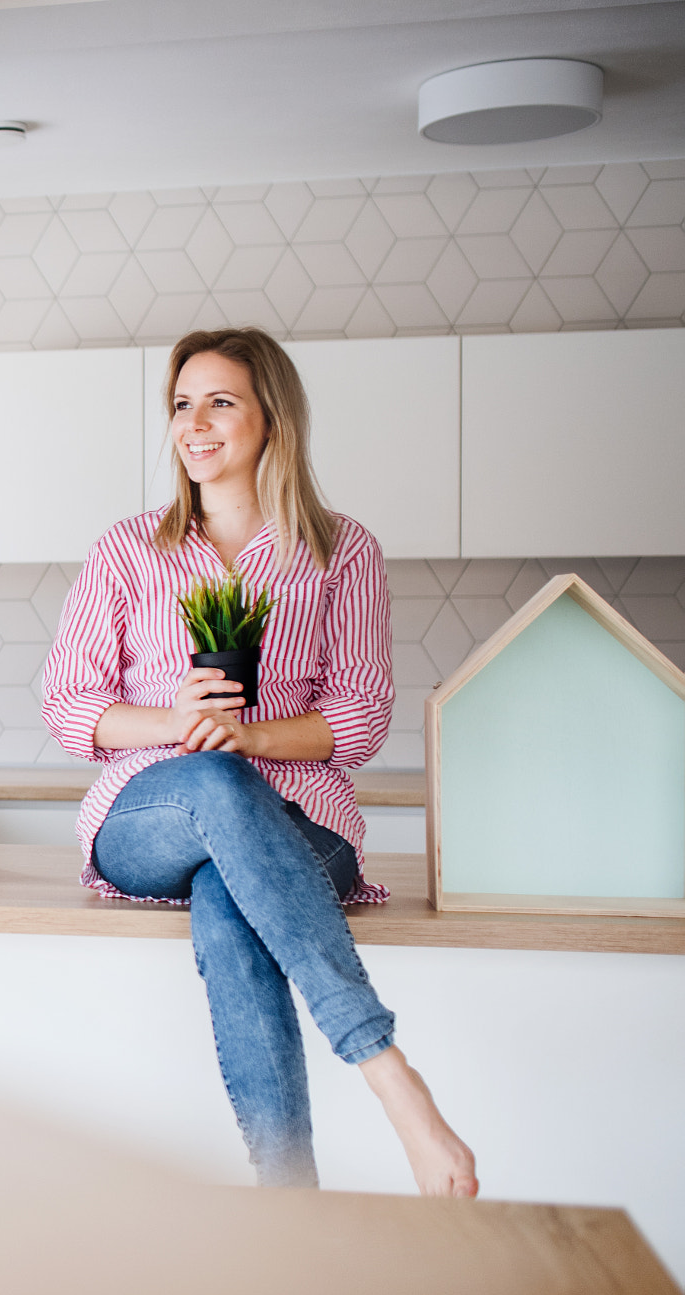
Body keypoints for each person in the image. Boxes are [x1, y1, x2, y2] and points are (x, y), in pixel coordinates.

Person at [40, 327, 478, 1197]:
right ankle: (391, 1074)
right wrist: (175, 718)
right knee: (211, 781)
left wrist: (255, 737)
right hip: (151, 811)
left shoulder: (340, 550)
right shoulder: (129, 549)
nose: (193, 424)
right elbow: (66, 707)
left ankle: (287, 1199)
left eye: (220, 401)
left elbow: (360, 717)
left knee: (226, 894)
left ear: (272, 416)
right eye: (180, 404)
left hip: (302, 817)